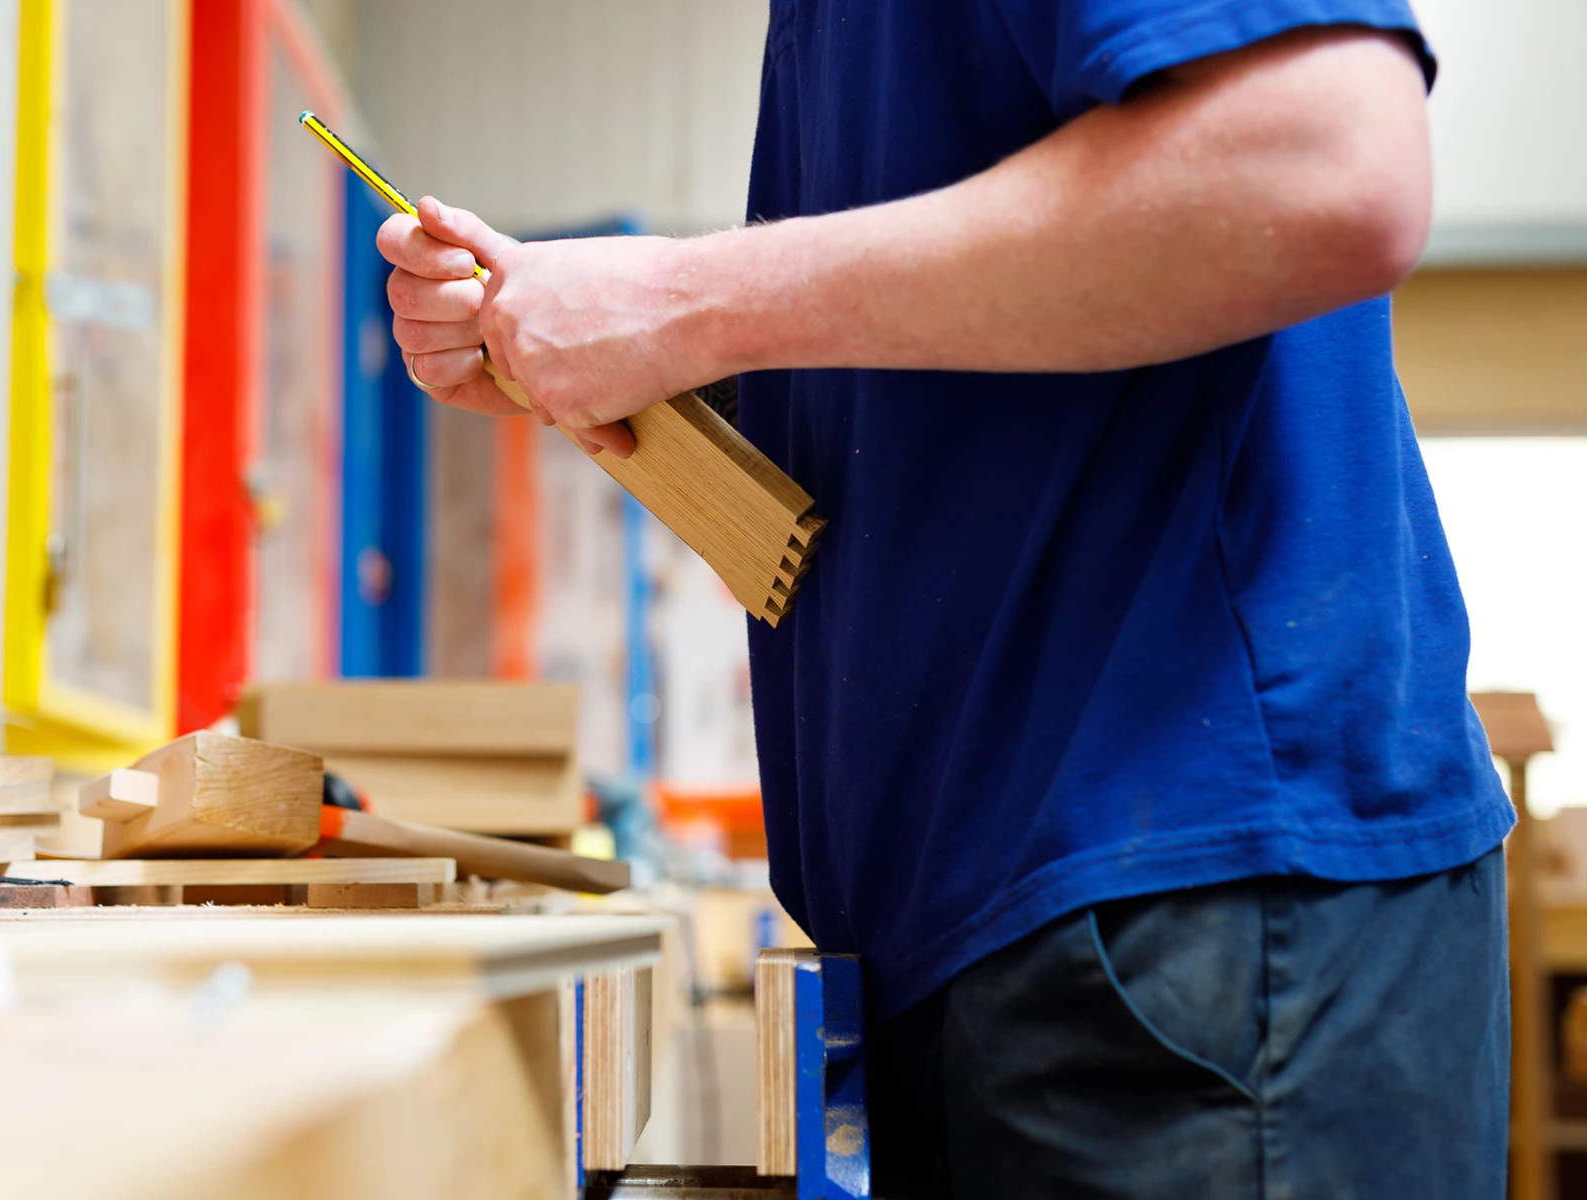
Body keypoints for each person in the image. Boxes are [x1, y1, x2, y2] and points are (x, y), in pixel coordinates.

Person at [378, 3, 1513, 1195]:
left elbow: (1318, 166)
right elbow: (919, 445)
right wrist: (591, 360)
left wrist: (677, 301)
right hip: (992, 936)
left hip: (1188, 909)